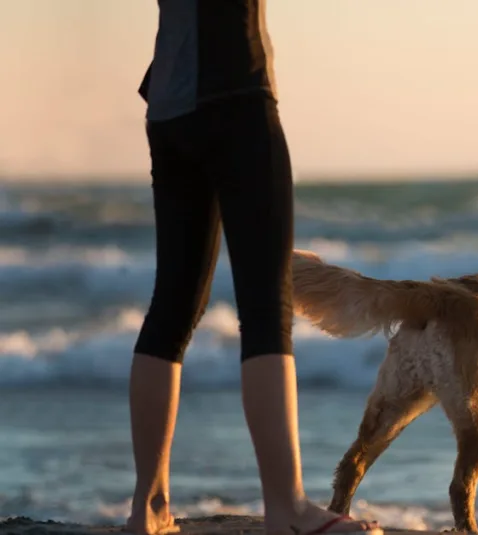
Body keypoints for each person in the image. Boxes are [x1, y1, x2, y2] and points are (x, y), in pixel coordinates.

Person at [125, 2, 383, 534]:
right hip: (237, 95)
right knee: (266, 311)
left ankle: (147, 509)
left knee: (170, 310)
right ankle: (286, 509)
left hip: (170, 109)